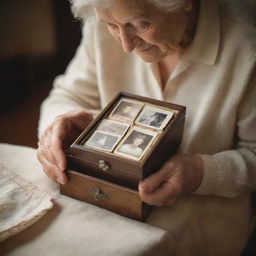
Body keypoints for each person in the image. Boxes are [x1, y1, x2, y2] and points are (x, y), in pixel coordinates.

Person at [36, 0, 256, 255]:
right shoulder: (104, 18)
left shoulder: (247, 42)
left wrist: (199, 173)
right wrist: (57, 126)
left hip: (204, 233)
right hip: (109, 220)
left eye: (140, 24)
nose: (126, 45)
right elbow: (66, 95)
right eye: (112, 26)